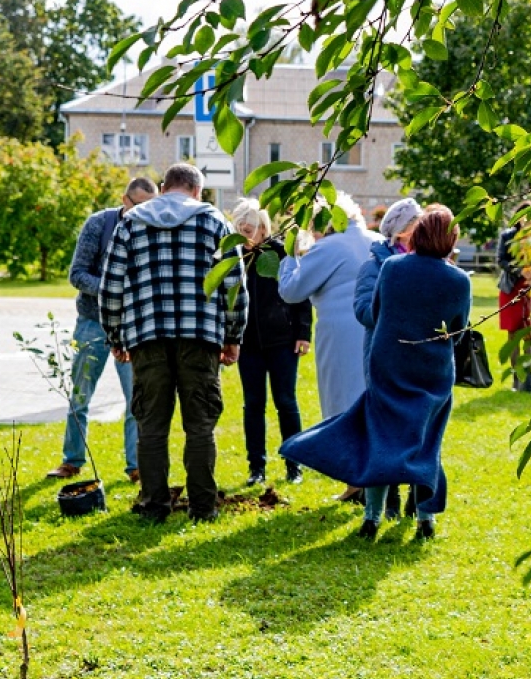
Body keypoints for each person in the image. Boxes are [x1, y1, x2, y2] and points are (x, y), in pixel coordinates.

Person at [281, 204, 471, 541]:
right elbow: (457, 330)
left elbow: (376, 311)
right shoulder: (458, 280)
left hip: (389, 364)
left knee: (381, 438)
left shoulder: (393, 267)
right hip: (434, 371)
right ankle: (425, 521)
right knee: (427, 442)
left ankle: (372, 518)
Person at [99, 164, 248, 522]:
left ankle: (153, 507)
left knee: (151, 426)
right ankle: (203, 508)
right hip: (200, 339)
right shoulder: (214, 222)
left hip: (147, 338)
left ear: (164, 187)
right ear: (198, 191)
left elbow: (111, 286)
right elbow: (234, 286)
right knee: (199, 426)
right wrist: (233, 336)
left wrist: (116, 336)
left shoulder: (131, 222)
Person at [48, 177, 157, 483]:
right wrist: (111, 290)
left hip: (132, 326)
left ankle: (136, 467)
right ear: (125, 200)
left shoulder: (153, 229)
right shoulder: (99, 224)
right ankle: (71, 461)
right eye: (140, 206)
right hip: (93, 322)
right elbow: (77, 274)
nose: (147, 212)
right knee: (80, 395)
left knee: (137, 399)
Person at [277, 192, 379, 421]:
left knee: (340, 404)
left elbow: (291, 291)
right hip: (377, 331)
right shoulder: (377, 241)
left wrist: (291, 253)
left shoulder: (329, 247)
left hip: (338, 335)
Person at [232, 199, 313, 487]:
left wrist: (303, 332)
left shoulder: (281, 254)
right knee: (253, 404)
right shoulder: (234, 258)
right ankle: (257, 467)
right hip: (248, 343)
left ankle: (295, 465)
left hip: (283, 341)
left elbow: (300, 293)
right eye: (240, 229)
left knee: (286, 402)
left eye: (250, 229)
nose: (246, 235)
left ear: (264, 228)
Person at [352, 196, 420, 518]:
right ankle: (387, 495)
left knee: (416, 428)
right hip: (383, 360)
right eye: (417, 223)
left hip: (417, 361)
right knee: (386, 430)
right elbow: (363, 311)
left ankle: (414, 493)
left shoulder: (427, 263)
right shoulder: (375, 264)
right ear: (404, 230)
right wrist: (396, 309)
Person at [496, 204, 531, 392]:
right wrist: (520, 271)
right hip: (512, 289)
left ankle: (528, 375)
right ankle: (516, 378)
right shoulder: (507, 236)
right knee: (513, 334)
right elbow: (501, 260)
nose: (526, 219)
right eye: (523, 216)